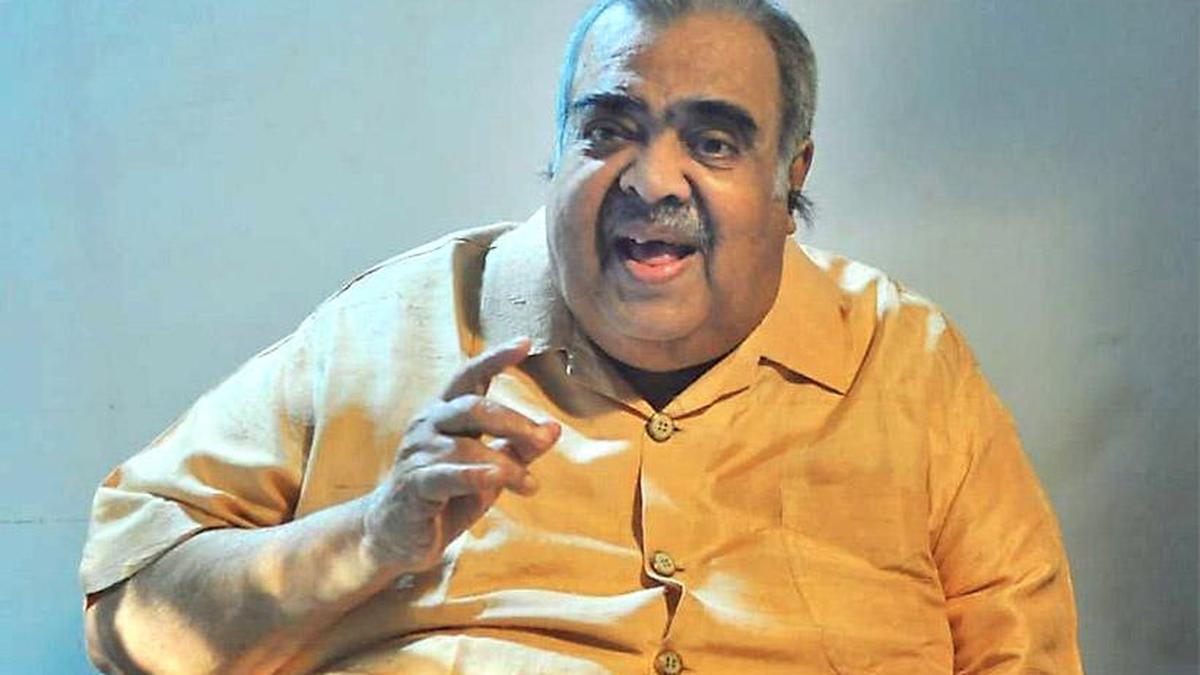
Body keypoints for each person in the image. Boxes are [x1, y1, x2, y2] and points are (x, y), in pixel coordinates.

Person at [81, 1, 1083, 673]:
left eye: (713, 141)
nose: (651, 180)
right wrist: (371, 536)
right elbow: (129, 615)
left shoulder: (906, 359)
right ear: (557, 148)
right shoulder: (388, 326)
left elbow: (1026, 652)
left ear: (792, 176)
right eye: (607, 131)